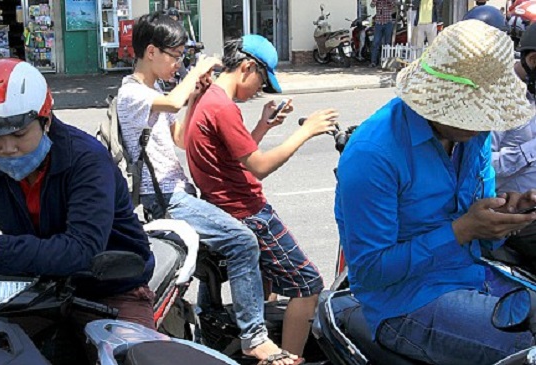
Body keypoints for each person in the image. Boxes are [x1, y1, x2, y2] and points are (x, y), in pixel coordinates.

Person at [335, 20, 536, 364]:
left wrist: (505, 217)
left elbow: (482, 232)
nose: (483, 126)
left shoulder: (473, 134)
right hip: (404, 301)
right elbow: (368, 271)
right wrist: (461, 231)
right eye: (474, 114)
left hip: (472, 274)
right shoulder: (374, 153)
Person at [0, 59, 155, 331]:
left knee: (133, 357)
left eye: (19, 133)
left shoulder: (87, 160)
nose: (7, 147)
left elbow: (82, 248)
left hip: (112, 288)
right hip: (35, 286)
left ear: (46, 120)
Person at [115, 13, 295, 365]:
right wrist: (197, 73)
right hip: (166, 200)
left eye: (183, 56)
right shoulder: (131, 94)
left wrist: (196, 94)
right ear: (151, 52)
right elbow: (171, 104)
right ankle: (254, 337)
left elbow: (179, 137)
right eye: (175, 55)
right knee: (244, 241)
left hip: (181, 194)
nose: (178, 64)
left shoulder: (156, 93)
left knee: (213, 266)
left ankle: (211, 328)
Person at [185, 34, 335, 362]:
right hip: (248, 213)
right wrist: (306, 131)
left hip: (225, 206)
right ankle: (287, 359)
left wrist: (263, 127)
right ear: (247, 67)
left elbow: (231, 158)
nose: (258, 92)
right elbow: (260, 166)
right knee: (309, 284)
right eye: (261, 82)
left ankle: (268, 341)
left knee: (274, 283)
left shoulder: (207, 98)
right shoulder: (222, 107)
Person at [491, 22, 536, 269]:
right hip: (515, 213)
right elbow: (480, 166)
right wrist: (529, 151)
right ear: (533, 59)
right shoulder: (500, 98)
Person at [370, 0, 396, 68]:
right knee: (376, 42)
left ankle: (386, 62)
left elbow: (394, 6)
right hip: (378, 23)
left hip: (388, 23)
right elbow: (372, 5)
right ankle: (373, 62)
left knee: (387, 43)